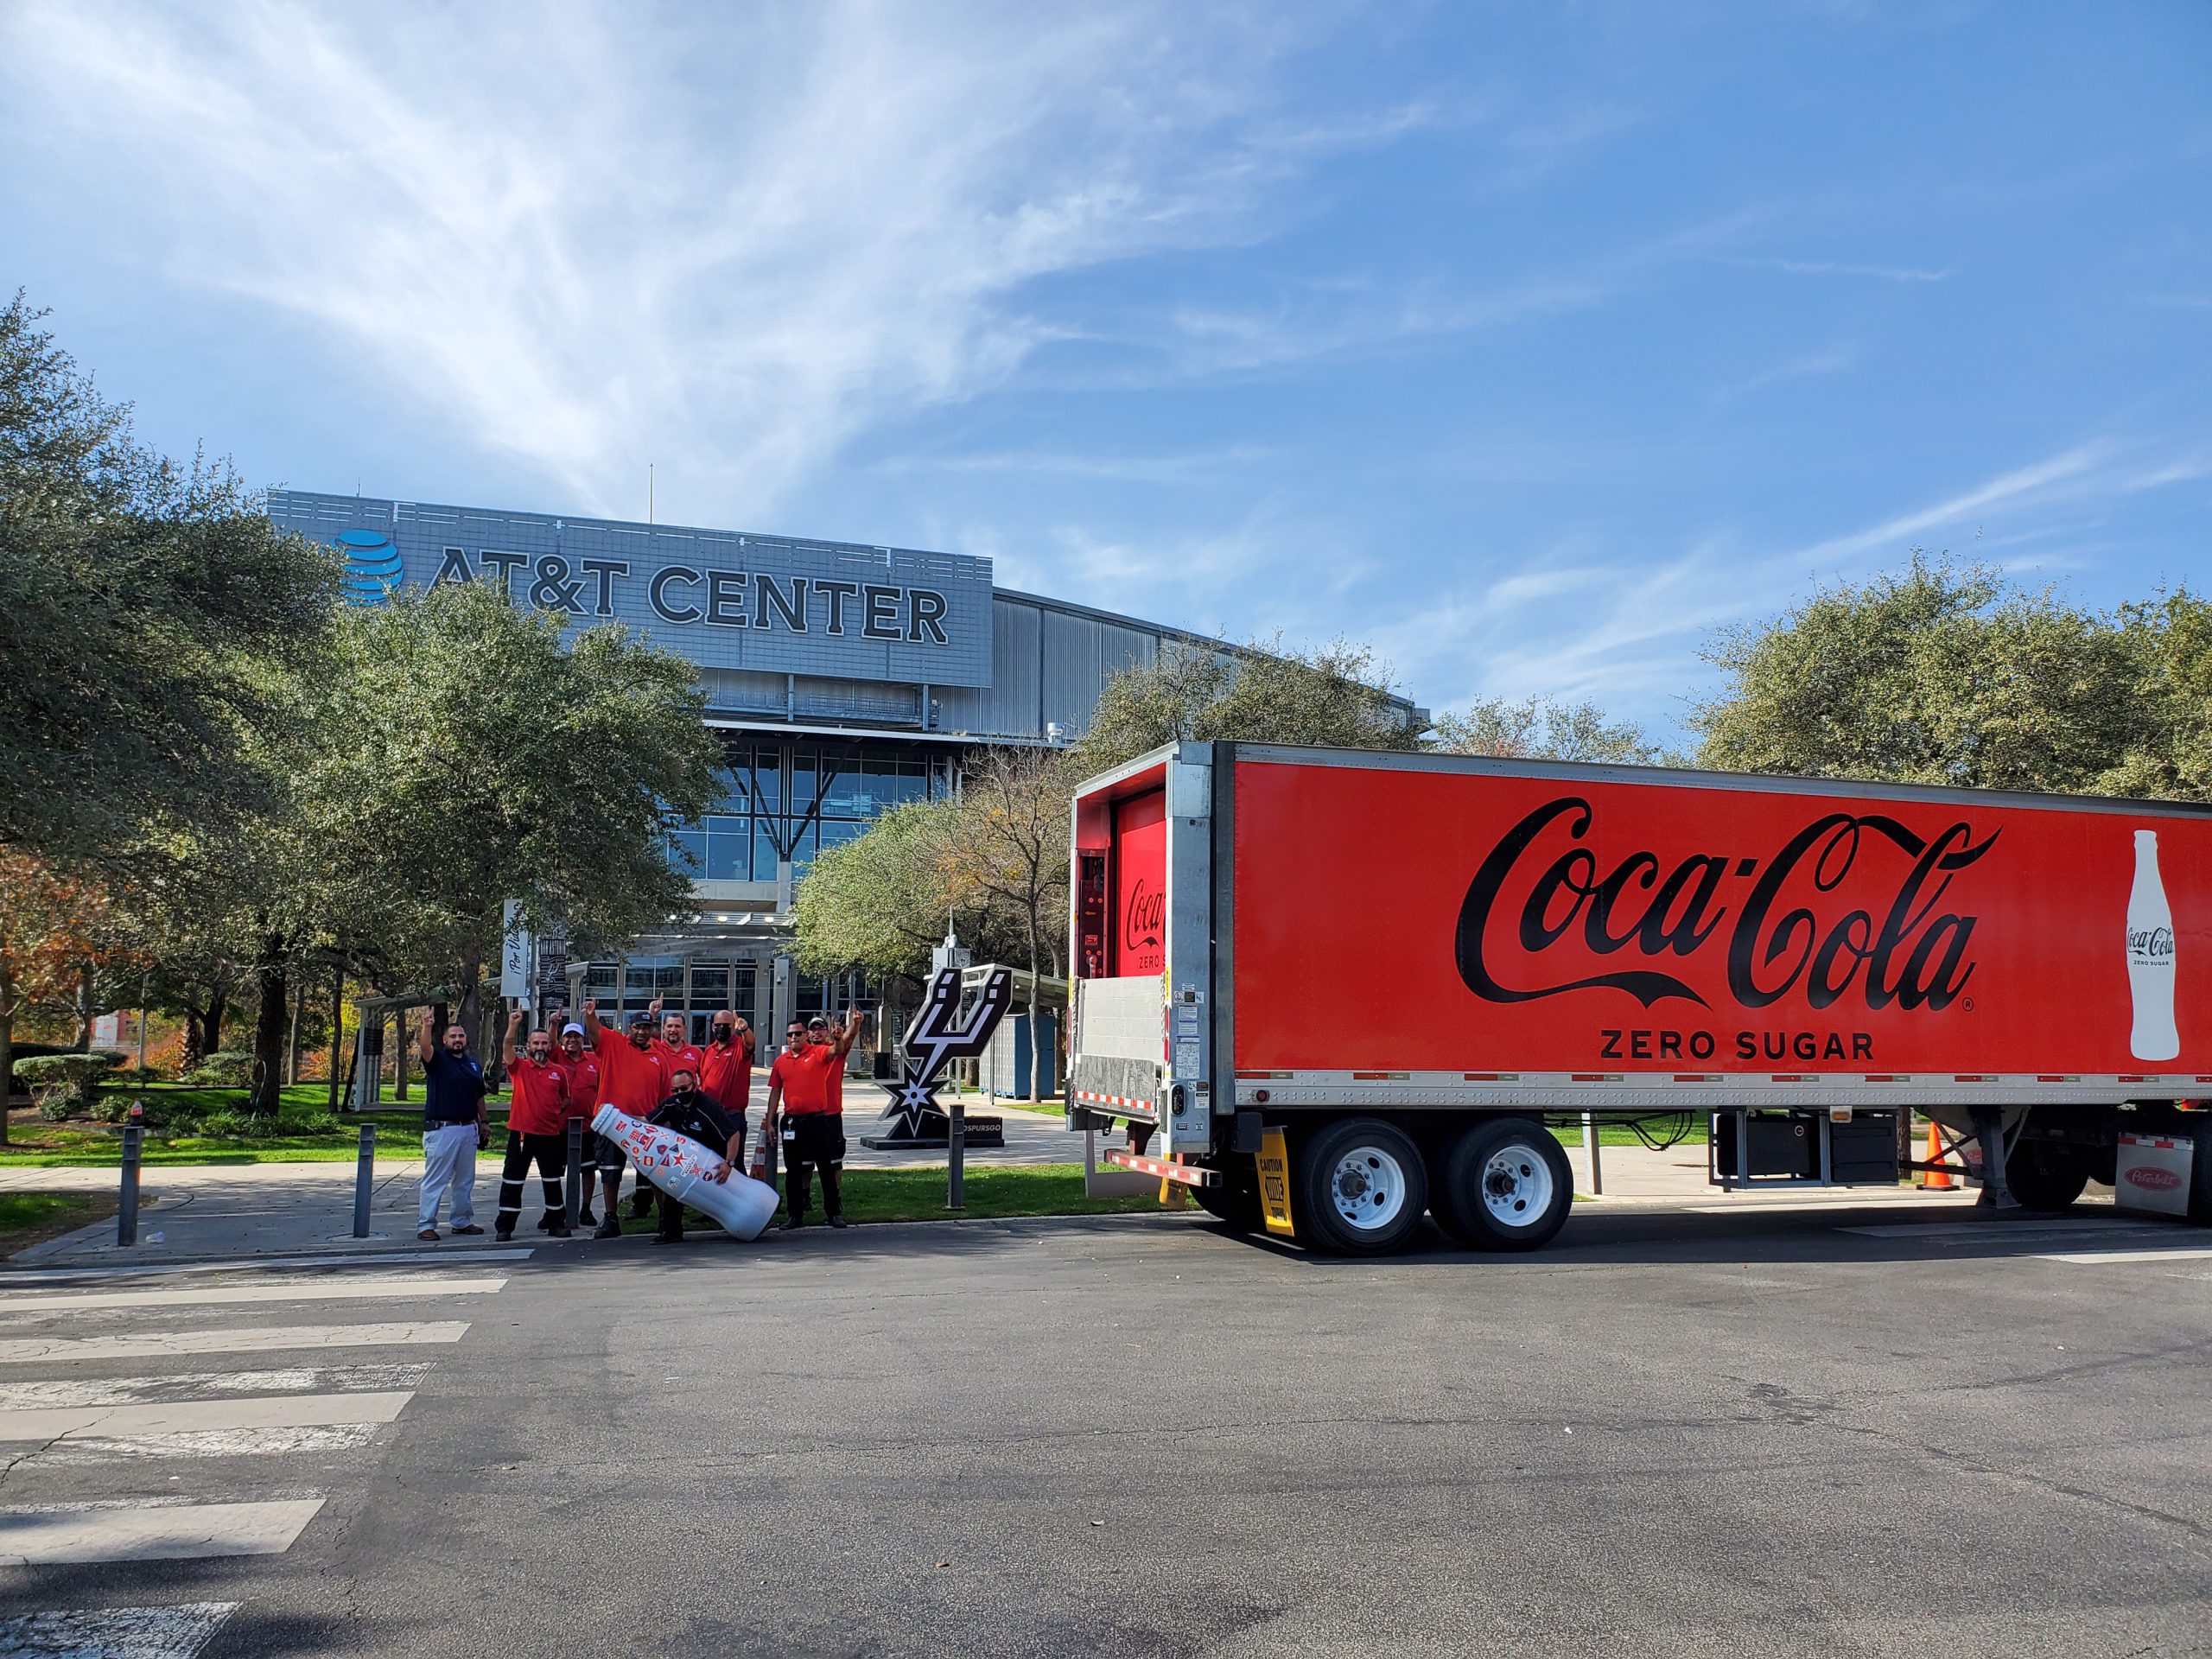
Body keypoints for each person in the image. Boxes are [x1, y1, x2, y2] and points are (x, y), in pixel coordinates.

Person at [764, 1007, 862, 1230]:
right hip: (792, 1122)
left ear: (806, 1035)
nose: (795, 1037)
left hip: (818, 1121)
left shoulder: (818, 1053)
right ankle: (794, 1215)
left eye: (798, 1033)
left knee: (827, 1168)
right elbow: (775, 1092)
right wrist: (769, 1121)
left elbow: (836, 1050)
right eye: (791, 1034)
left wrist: (841, 1036)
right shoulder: (781, 1062)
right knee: (793, 1171)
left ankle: (833, 1213)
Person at [580, 1000, 669, 1238]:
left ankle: (666, 1219)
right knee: (610, 1171)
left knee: (655, 1171)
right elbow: (595, 1030)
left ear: (652, 1030)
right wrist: (591, 1014)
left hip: (645, 1124)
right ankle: (610, 1219)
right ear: (629, 1028)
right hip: (613, 1122)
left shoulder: (659, 1057)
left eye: (646, 1028)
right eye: (637, 1027)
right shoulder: (613, 1043)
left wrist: (662, 1123)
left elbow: (664, 1096)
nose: (642, 1032)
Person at [642, 1064, 746, 1246]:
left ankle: (748, 1220)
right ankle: (671, 1231)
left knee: (733, 1193)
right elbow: (645, 1122)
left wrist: (728, 1163)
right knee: (673, 1184)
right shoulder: (671, 1103)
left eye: (684, 1089)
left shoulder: (709, 1107)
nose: (679, 1093)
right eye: (675, 1090)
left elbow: (733, 1134)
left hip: (715, 1158)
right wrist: (619, 1118)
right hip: (688, 1157)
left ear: (694, 1086)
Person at [494, 1010, 570, 1242]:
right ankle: (505, 1227)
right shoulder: (519, 1067)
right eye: (536, 1043)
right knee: (513, 1180)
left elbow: (566, 1100)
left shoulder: (559, 1072)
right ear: (527, 1046)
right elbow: (507, 1047)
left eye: (544, 1043)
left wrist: (553, 1114)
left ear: (550, 1046)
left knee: (552, 1181)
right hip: (522, 1134)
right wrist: (512, 1025)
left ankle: (556, 1223)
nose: (540, 1046)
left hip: (549, 1134)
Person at [416, 1007, 489, 1242]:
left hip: (468, 1129)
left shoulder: (473, 1065)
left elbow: (479, 1096)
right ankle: (426, 1224)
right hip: (442, 1130)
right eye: (453, 1036)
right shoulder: (437, 1060)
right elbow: (425, 1047)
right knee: (436, 1180)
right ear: (445, 1040)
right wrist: (427, 1025)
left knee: (465, 1180)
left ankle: (462, 1221)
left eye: (461, 1036)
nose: (458, 1040)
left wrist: (484, 1122)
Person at [639, 996, 706, 1221]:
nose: (673, 1030)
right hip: (660, 1116)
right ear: (664, 1029)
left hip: (687, 1118)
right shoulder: (656, 1047)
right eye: (669, 1026)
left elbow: (703, 1082)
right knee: (657, 1166)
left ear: (684, 1029)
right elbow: (644, 1035)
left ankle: (691, 1205)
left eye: (677, 1026)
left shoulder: (696, 1053)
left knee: (686, 1164)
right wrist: (653, 1014)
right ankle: (661, 1211)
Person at [550, 1014, 601, 1228]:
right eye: (568, 1036)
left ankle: (586, 1209)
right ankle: (554, 1210)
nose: (573, 1040)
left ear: (583, 1040)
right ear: (562, 1040)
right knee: (553, 1171)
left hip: (588, 1126)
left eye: (577, 1036)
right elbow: (550, 1043)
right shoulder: (556, 1058)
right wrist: (553, 1024)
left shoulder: (594, 1061)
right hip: (559, 1126)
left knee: (588, 1169)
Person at [697, 1010, 756, 1164]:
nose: (721, 1028)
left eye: (726, 1025)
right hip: (710, 1116)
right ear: (712, 1027)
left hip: (732, 1116)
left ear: (733, 1026)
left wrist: (744, 1030)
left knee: (734, 1165)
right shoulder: (709, 1051)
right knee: (710, 1163)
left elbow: (750, 1043)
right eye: (718, 1025)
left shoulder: (739, 1045)